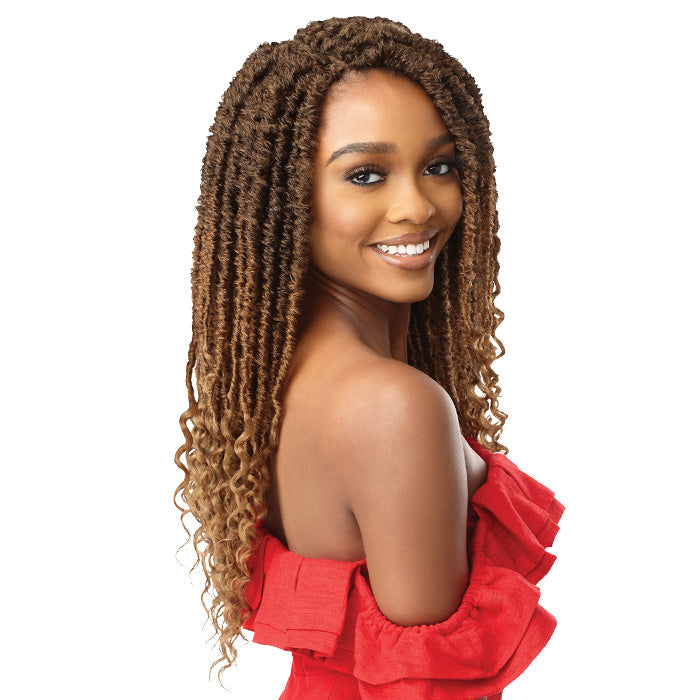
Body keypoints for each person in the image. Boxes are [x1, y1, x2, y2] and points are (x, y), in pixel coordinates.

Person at [174, 16, 565, 699]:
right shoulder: (393, 408)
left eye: (439, 166)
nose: (416, 206)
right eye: (366, 175)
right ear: (288, 199)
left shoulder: (278, 383)